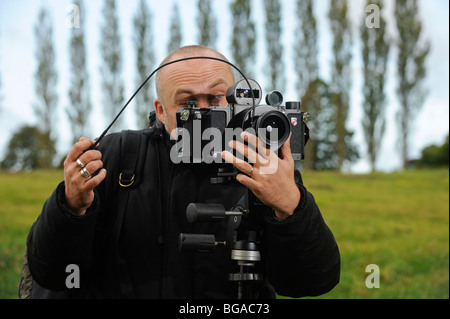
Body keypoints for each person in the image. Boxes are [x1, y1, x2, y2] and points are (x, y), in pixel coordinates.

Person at [26, 45, 340, 299]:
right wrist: (71, 206)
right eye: (188, 102)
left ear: (239, 98)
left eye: (217, 97)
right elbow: (53, 273)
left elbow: (310, 283)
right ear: (161, 111)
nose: (205, 111)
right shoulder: (117, 155)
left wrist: (290, 206)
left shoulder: (264, 162)